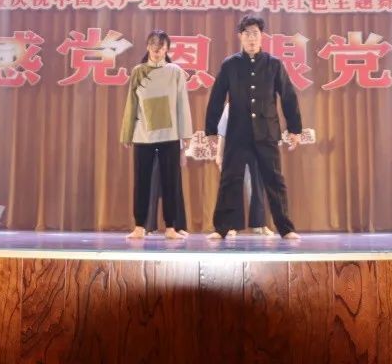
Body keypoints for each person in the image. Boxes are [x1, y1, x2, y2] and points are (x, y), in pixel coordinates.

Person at [205, 15, 304, 240]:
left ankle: (286, 228)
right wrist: (211, 129)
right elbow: (217, 97)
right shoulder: (230, 65)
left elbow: (288, 96)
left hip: (266, 131)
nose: (252, 38)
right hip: (238, 132)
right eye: (247, 34)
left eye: (255, 34)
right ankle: (222, 227)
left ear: (262, 36)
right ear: (240, 37)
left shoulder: (273, 64)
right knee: (230, 179)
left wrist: (295, 129)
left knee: (274, 180)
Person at [120, 30, 192, 240]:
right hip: (143, 135)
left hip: (170, 135)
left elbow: (182, 103)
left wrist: (185, 134)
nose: (157, 49)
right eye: (153, 44)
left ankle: (171, 227)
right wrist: (127, 133)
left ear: (167, 49)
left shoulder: (175, 71)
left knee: (171, 182)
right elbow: (131, 104)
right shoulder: (138, 71)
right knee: (141, 181)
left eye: (161, 45)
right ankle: (139, 226)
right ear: (147, 46)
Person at [216, 104, 272, 236]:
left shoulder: (260, 101)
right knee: (234, 186)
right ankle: (232, 225)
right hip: (235, 149)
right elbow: (222, 132)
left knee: (257, 186)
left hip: (256, 149)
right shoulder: (230, 105)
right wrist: (219, 155)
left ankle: (259, 224)